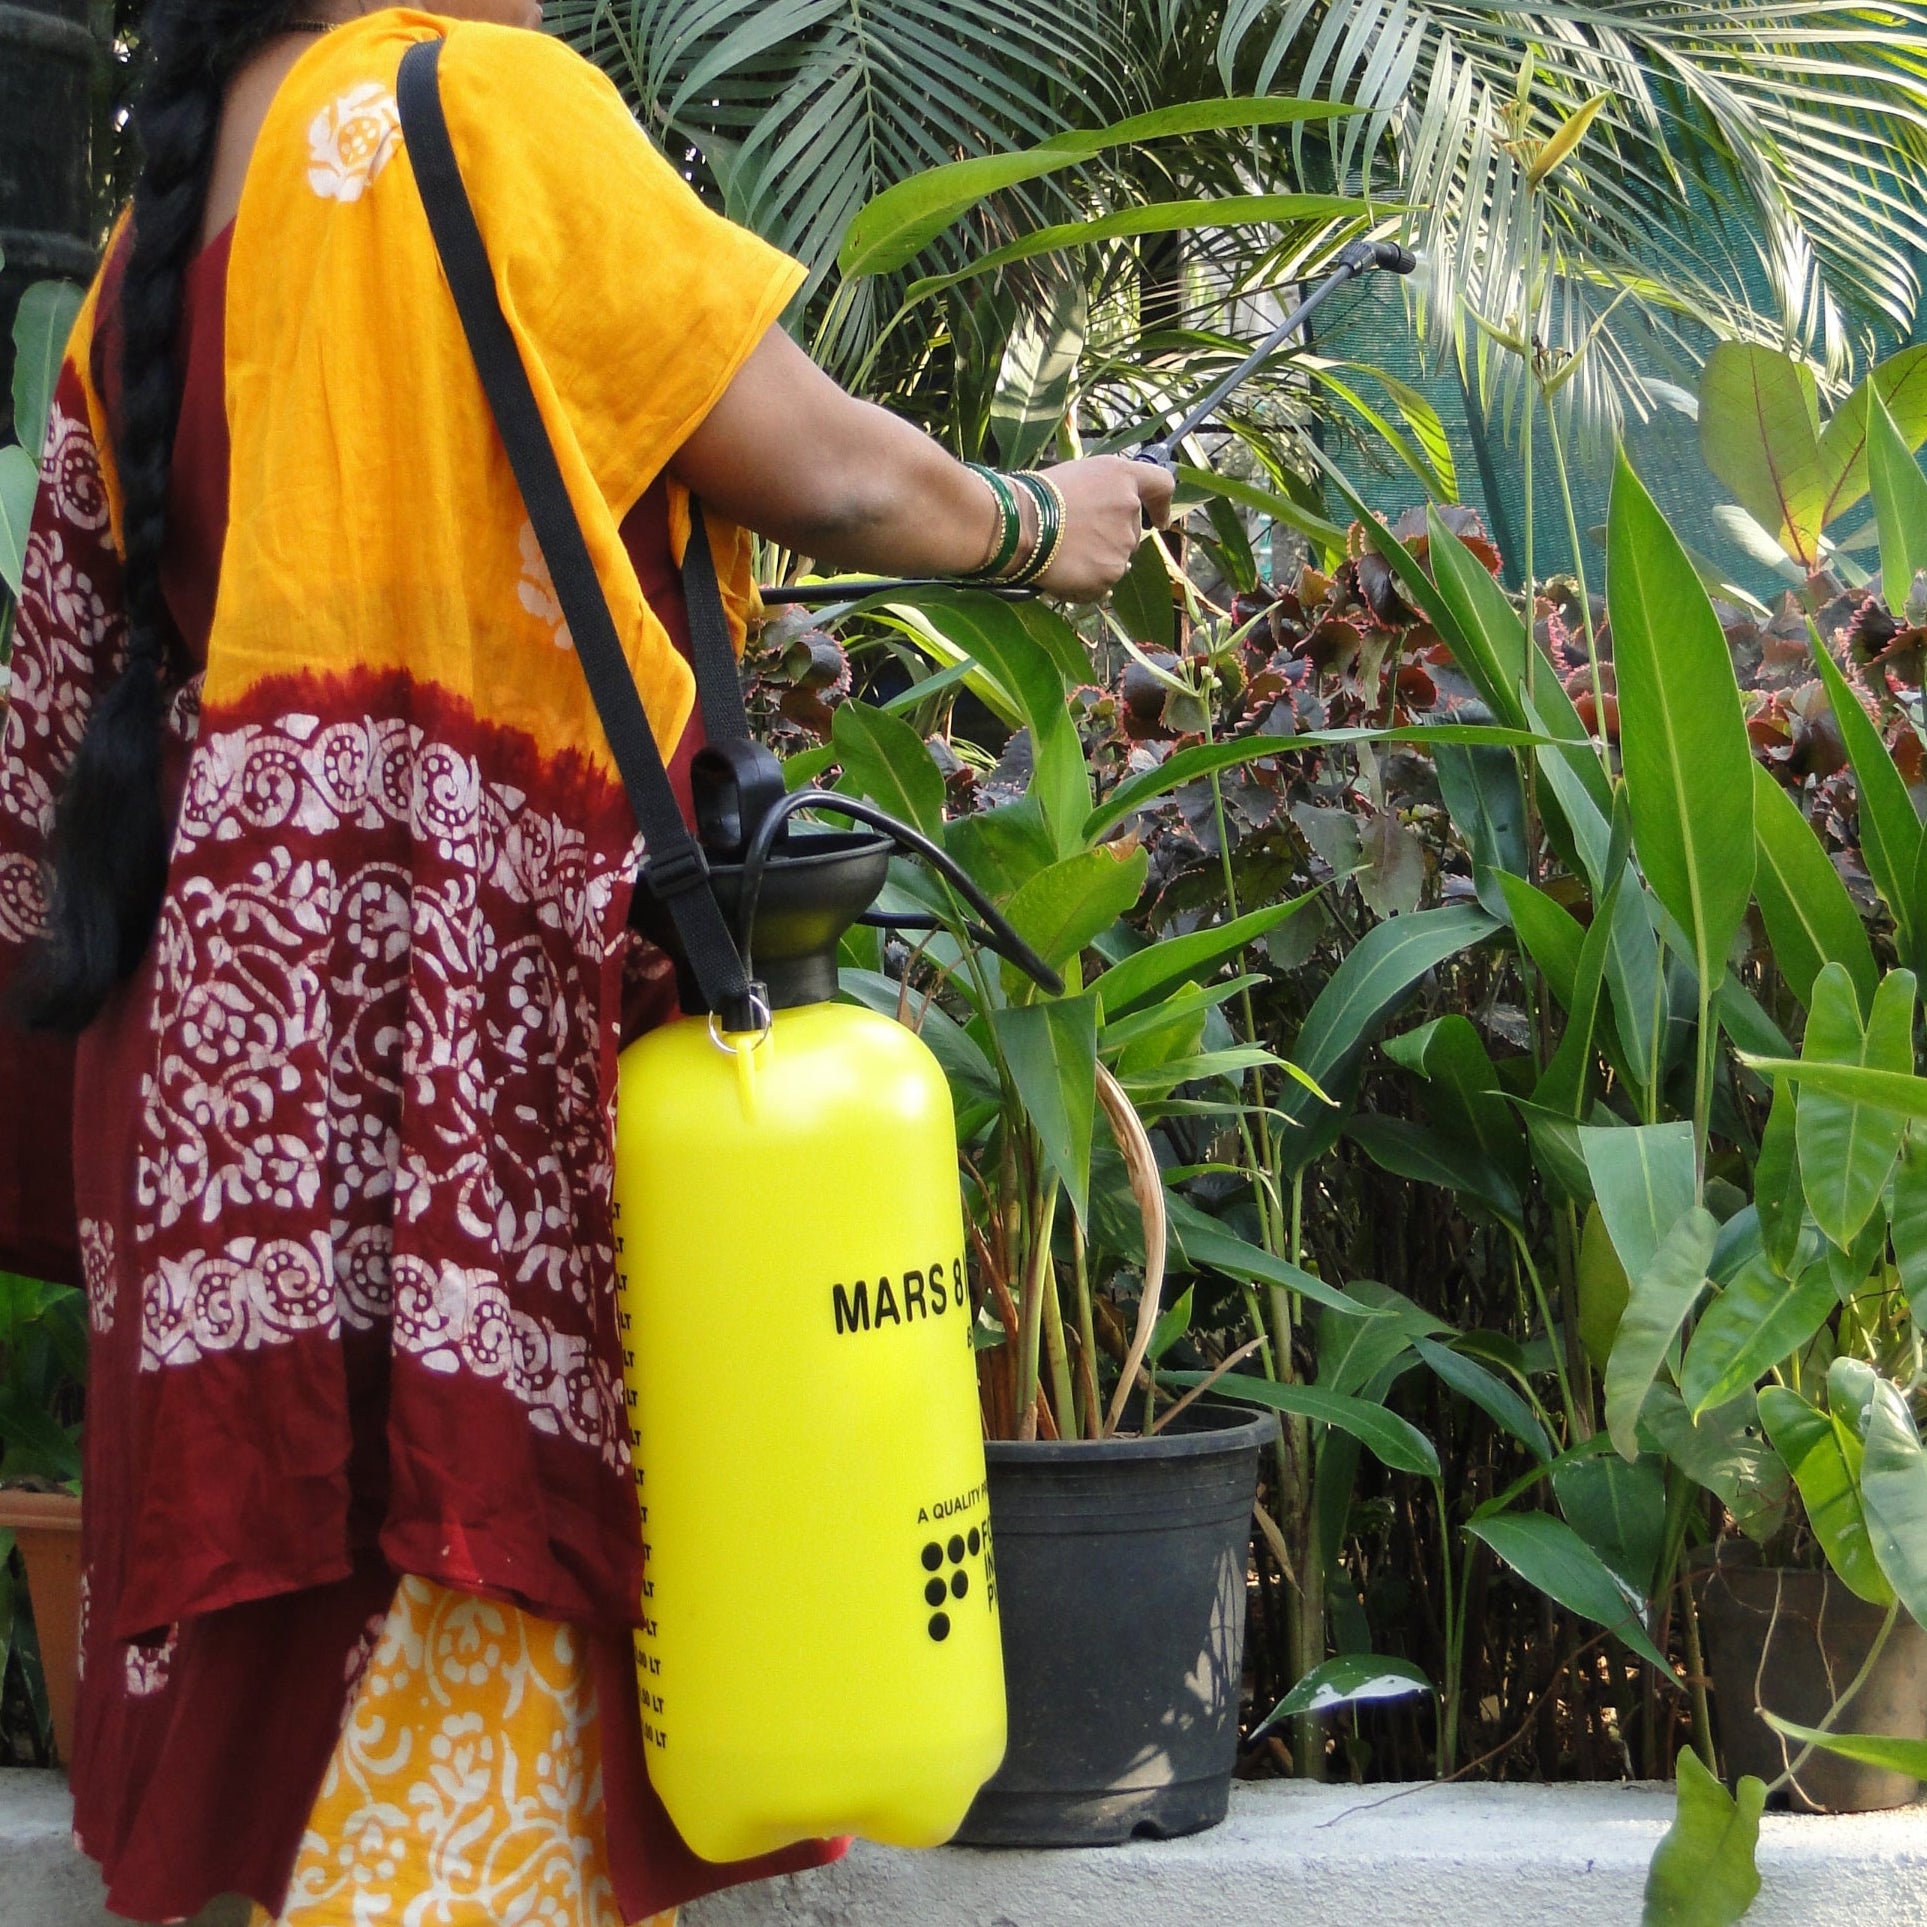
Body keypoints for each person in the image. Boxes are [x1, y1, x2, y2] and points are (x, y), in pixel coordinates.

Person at [0, 4, 1173, 1923]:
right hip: (451, 1052)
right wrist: (1045, 521)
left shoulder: (153, 226)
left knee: (271, 1736)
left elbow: (54, 732)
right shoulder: (482, 107)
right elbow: (828, 470)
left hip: (218, 1104)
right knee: (458, 1689)